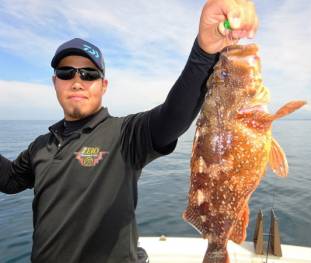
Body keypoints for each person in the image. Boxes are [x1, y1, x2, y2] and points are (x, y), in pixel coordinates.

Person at [0, 0, 258, 262]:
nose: (77, 81)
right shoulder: (40, 146)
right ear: (55, 82)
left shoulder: (125, 135)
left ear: (104, 85)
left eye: (89, 74)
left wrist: (204, 51)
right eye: (66, 73)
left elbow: (173, 117)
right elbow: (10, 179)